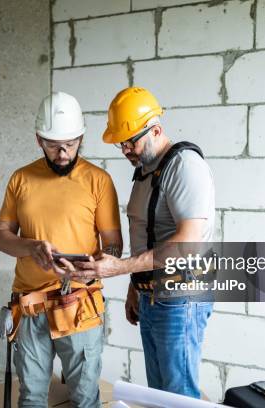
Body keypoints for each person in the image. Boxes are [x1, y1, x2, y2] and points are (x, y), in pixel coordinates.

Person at [66, 87, 216, 399]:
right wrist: (137, 285)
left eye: (130, 141)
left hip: (180, 297)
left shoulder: (184, 166)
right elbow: (149, 235)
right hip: (154, 297)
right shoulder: (146, 171)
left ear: (156, 130)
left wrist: (120, 268)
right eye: (120, 143)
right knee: (160, 395)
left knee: (179, 395)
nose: (124, 149)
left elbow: (189, 242)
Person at [0, 91, 122, 407]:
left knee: (84, 398)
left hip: (79, 305)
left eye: (71, 143)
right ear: (39, 139)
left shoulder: (98, 181)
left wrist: (89, 265)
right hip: (31, 306)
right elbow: (1, 236)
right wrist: (30, 246)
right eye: (54, 145)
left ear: (81, 137)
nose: (63, 152)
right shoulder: (21, 179)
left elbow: (115, 245)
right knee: (32, 397)